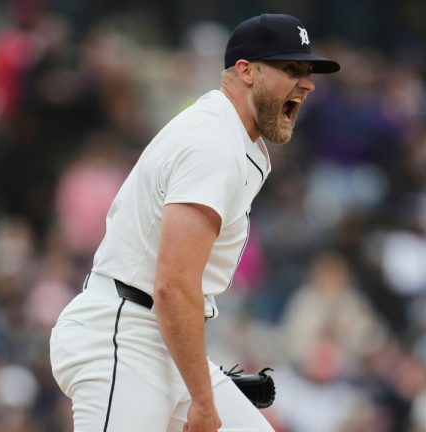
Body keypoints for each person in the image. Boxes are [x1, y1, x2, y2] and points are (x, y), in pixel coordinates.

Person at [49, 13, 340, 432]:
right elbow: (173, 284)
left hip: (160, 337)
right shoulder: (213, 142)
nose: (307, 83)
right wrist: (203, 398)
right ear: (246, 71)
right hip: (123, 336)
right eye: (292, 69)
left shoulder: (235, 140)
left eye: (309, 73)